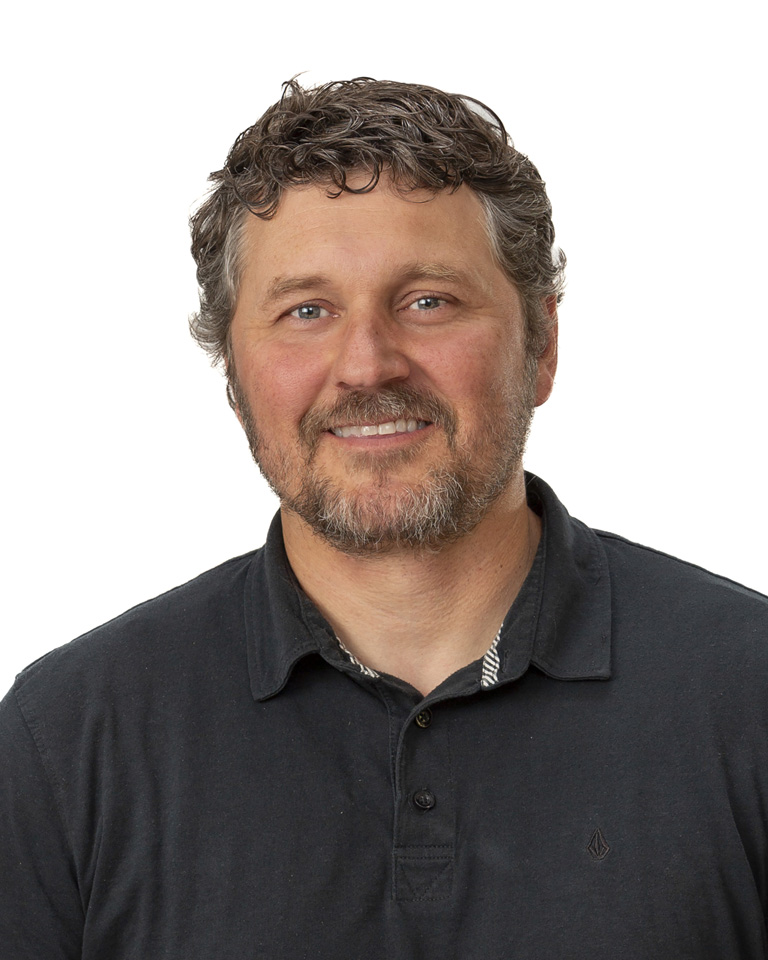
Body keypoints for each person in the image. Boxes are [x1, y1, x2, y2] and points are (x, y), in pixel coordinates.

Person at [1, 78, 767, 960]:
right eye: (307, 311)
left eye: (428, 301)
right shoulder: (67, 742)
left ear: (542, 344)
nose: (366, 365)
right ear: (233, 374)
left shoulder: (749, 697)